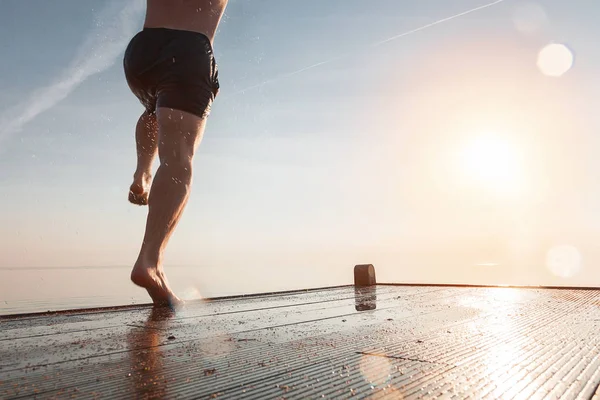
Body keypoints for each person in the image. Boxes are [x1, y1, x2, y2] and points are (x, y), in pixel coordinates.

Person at [123, 0, 228, 308]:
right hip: (189, 49)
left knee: (154, 108)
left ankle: (142, 171)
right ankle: (150, 263)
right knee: (178, 161)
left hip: (141, 51)